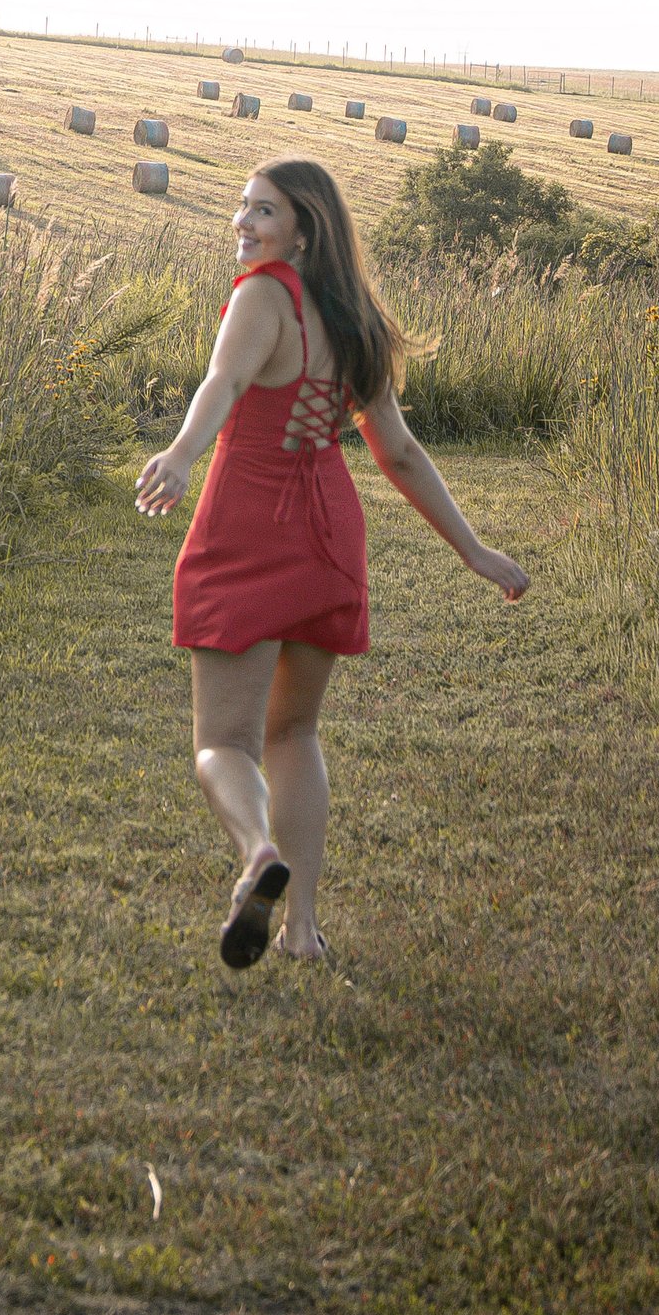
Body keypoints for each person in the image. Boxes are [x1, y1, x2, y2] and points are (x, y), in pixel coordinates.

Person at [135, 158, 526, 968]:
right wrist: (474, 550)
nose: (243, 223)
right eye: (242, 208)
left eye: (263, 212)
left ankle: (255, 855)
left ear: (302, 230)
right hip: (327, 534)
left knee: (224, 743)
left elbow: (223, 380)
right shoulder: (358, 320)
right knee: (296, 730)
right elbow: (403, 454)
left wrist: (179, 453)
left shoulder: (262, 296)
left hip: (247, 522)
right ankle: (303, 929)